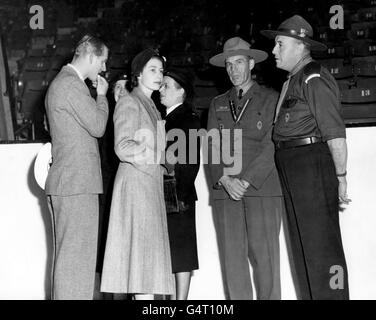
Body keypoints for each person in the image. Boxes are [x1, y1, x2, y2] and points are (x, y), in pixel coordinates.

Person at [261, 15, 350, 300]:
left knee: (322, 249)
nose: (274, 51)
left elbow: (334, 132)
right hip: (292, 165)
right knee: (302, 250)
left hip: (311, 163)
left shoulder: (313, 76)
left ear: (300, 45)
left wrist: (341, 176)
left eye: (280, 44)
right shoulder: (294, 78)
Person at [207, 37, 284, 300]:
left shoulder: (271, 98)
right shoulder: (217, 103)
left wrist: (247, 180)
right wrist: (224, 179)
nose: (233, 70)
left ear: (251, 63)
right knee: (233, 263)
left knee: (266, 261)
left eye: (239, 62)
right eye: (229, 64)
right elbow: (211, 146)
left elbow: (272, 143)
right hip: (226, 191)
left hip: (261, 189)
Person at [100, 48, 175, 300]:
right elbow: (123, 146)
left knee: (146, 267)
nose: (159, 75)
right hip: (136, 188)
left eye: (161, 71)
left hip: (147, 186)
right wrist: (158, 158)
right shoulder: (129, 102)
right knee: (141, 266)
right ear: (138, 75)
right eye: (152, 70)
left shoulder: (152, 107)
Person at [44, 34, 109, 300]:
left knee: (69, 261)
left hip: (70, 184)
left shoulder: (65, 83)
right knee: (77, 263)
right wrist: (102, 96)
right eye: (103, 61)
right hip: (76, 184)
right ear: (91, 56)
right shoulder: (71, 84)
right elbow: (98, 125)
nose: (104, 69)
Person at [159, 68, 201, 300]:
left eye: (166, 86)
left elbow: (189, 162)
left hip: (178, 193)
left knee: (181, 253)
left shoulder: (188, 119)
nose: (161, 90)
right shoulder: (163, 118)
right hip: (164, 191)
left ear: (181, 91)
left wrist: (180, 194)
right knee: (169, 253)